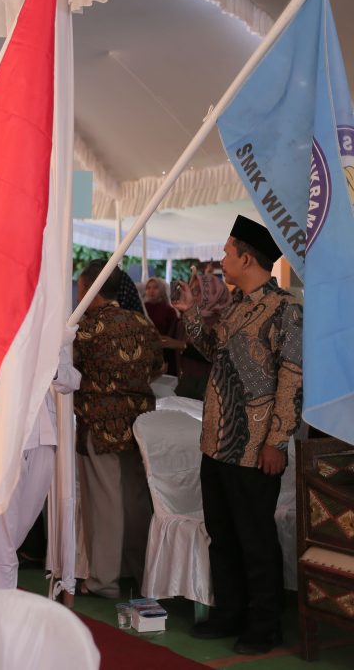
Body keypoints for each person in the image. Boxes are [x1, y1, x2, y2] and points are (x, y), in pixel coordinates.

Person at [174, 217, 301, 655]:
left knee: (255, 538)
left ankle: (264, 624)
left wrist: (277, 441)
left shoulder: (286, 309)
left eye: (228, 251)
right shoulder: (237, 306)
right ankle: (230, 613)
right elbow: (214, 354)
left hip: (254, 446)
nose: (223, 259)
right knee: (223, 534)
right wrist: (190, 314)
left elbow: (292, 377)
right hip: (217, 442)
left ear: (247, 257)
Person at [74, 261, 163, 599]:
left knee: (106, 501)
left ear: (90, 290)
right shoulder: (141, 322)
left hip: (99, 423)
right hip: (138, 423)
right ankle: (138, 571)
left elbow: (68, 372)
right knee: (136, 500)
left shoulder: (85, 328)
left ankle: (104, 581)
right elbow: (158, 367)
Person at [0, 332, 80, 591]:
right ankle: (1, 604)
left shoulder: (46, 327)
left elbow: (71, 379)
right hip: (3, 436)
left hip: (43, 435)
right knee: (2, 528)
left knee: (20, 524)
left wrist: (50, 368)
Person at [173, 269, 231, 399]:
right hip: (188, 384)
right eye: (191, 291)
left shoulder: (223, 322)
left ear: (212, 293)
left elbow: (215, 353)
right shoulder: (187, 318)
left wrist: (181, 345)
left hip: (210, 390)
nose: (192, 296)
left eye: (197, 291)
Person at [143, 278, 180, 375]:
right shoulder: (142, 308)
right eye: (148, 288)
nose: (151, 291)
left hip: (163, 352)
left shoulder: (169, 311)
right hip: (144, 351)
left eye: (155, 288)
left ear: (162, 290)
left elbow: (172, 335)